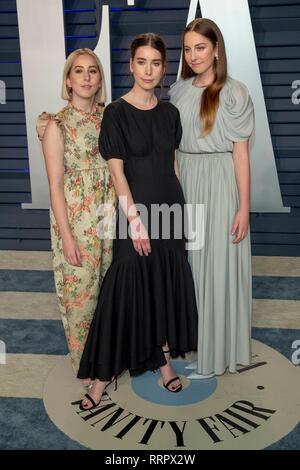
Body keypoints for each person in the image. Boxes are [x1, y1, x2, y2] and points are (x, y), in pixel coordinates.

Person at [77, 33, 198, 410]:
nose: (148, 70)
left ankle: (163, 363)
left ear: (163, 69)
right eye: (141, 61)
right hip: (135, 211)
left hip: (170, 209)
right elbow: (117, 172)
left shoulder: (170, 114)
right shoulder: (116, 112)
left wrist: (184, 217)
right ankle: (102, 375)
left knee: (162, 283)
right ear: (130, 65)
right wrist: (135, 221)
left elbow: (173, 165)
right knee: (124, 284)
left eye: (156, 63)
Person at [169, 18, 254, 378]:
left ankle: (218, 357)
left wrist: (244, 207)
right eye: (188, 49)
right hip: (185, 182)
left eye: (200, 47)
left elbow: (241, 153)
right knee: (191, 272)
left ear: (216, 48)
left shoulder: (234, 91)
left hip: (219, 184)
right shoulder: (178, 91)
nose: (194, 55)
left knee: (216, 270)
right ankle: (201, 343)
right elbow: (172, 149)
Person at [37, 48, 116, 384]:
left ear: (99, 79)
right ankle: (85, 364)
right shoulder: (56, 125)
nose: (86, 77)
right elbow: (54, 186)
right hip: (77, 221)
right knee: (81, 294)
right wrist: (67, 236)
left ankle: (109, 357)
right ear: (68, 80)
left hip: (109, 215)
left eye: (93, 71)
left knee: (110, 290)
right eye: (79, 71)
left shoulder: (111, 118)